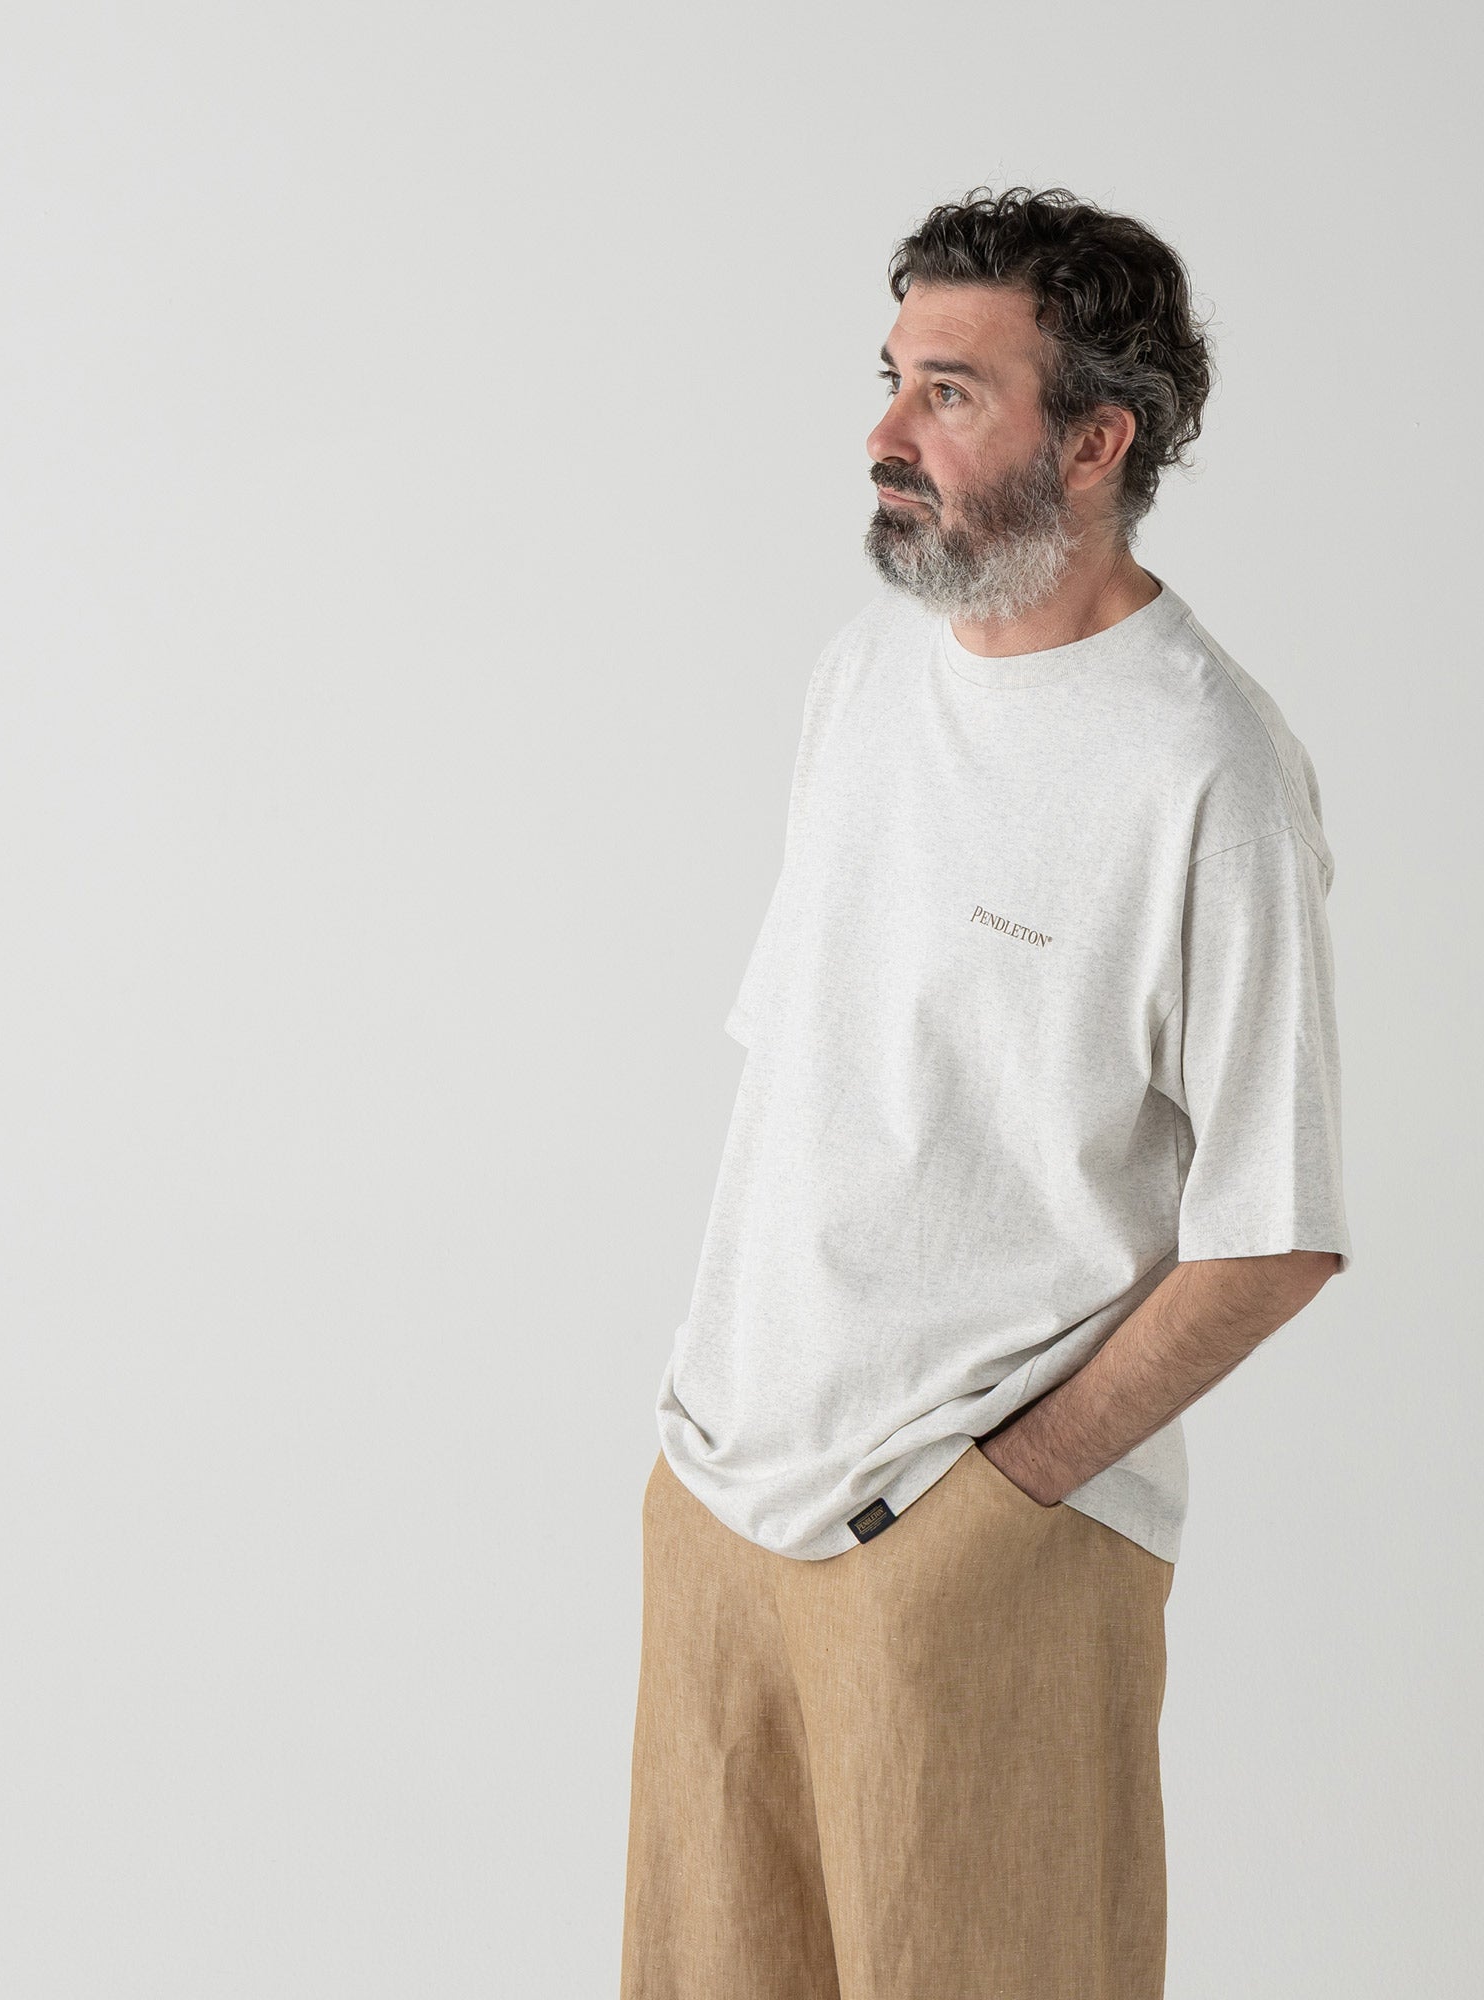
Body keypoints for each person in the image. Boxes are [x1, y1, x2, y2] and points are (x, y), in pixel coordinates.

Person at [618, 186, 1351, 2000]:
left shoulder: (1207, 769)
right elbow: (821, 1095)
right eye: (891, 380)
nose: (885, 434)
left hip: (973, 1555)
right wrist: (701, 1450)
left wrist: (996, 1500)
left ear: (1095, 443)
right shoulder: (863, 679)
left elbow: (1272, 1235)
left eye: (950, 393)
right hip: (720, 1502)